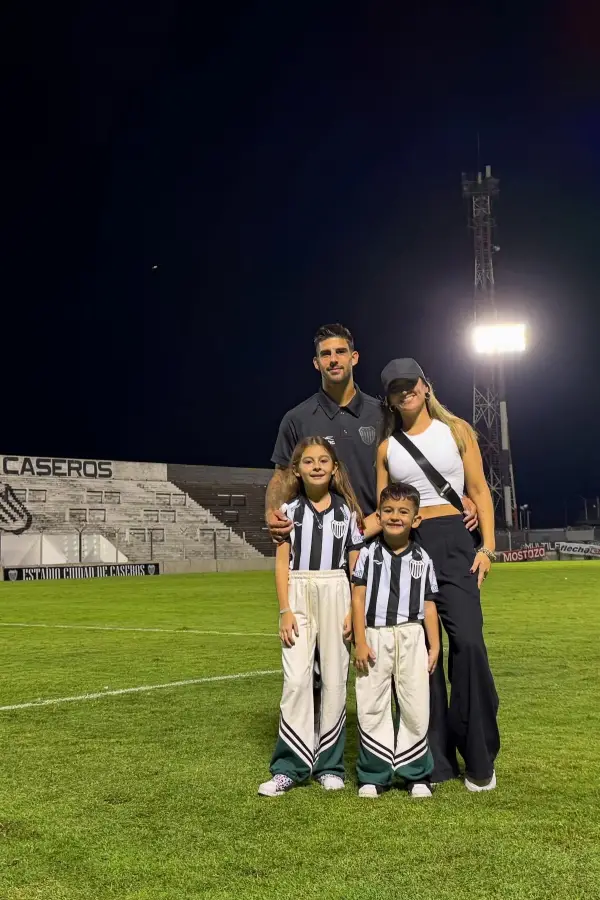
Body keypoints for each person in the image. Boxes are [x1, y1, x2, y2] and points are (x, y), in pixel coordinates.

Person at [364, 357, 500, 790]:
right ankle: (434, 761)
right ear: (388, 398)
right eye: (395, 389)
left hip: (456, 544)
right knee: (422, 654)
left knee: (470, 644)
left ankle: (479, 757)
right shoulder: (387, 447)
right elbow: (383, 511)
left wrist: (489, 549)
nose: (405, 393)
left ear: (425, 386)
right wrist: (341, 538)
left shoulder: (457, 430)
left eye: (410, 384)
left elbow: (478, 491)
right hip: (409, 548)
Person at [258, 437, 364, 797]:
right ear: (297, 470)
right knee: (297, 680)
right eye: (308, 461)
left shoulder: (347, 513)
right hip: (299, 594)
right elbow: (281, 565)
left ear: (334, 468)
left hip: (337, 592)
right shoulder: (288, 513)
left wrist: (353, 608)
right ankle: (289, 766)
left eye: (323, 460)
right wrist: (285, 610)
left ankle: (329, 765)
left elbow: (354, 567)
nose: (316, 466)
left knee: (334, 680)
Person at [352, 482, 440, 799]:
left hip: (412, 635)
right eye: (388, 510)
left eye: (403, 511)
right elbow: (358, 600)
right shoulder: (368, 555)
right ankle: (374, 775)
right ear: (379, 515)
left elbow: (429, 605)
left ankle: (415, 775)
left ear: (415, 519)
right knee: (371, 703)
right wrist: (360, 641)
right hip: (374, 635)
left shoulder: (423, 559)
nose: (394, 516)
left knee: (416, 704)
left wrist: (435, 645)